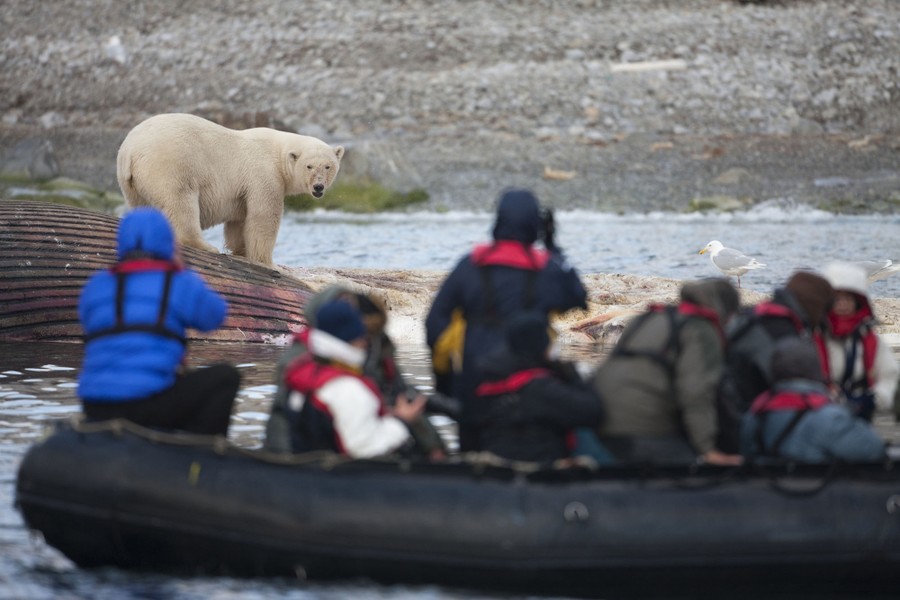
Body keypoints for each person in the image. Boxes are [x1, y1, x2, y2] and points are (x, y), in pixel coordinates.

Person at [425, 188, 588, 451]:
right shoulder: (547, 269)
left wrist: (445, 383)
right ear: (536, 224)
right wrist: (552, 246)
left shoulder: (469, 265)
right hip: (530, 387)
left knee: (472, 454)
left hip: (474, 382)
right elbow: (578, 297)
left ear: (497, 221)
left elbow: (434, 326)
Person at [78, 207, 240, 436]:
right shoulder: (178, 281)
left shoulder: (97, 285)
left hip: (94, 405)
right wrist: (182, 269)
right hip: (147, 404)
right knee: (226, 376)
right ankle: (202, 452)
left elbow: (89, 322)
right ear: (168, 241)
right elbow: (215, 316)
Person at [265, 286, 446, 458]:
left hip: (353, 442)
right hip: (323, 459)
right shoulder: (306, 361)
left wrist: (433, 446)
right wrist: (283, 461)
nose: (366, 342)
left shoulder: (376, 348)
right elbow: (282, 418)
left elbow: (401, 395)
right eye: (364, 335)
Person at [592, 278, 743, 466]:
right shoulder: (700, 328)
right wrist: (708, 450)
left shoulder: (647, 318)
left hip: (599, 420)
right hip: (641, 428)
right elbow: (695, 391)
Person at [473, 312, 605, 463]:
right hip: (539, 467)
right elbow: (593, 412)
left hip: (498, 462)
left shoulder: (491, 378)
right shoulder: (538, 388)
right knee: (583, 433)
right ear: (540, 346)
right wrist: (572, 376)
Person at [740, 337, 886, 463]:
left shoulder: (755, 415)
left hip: (767, 491)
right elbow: (872, 449)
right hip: (819, 491)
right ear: (815, 369)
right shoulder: (830, 417)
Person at [722, 270, 835, 412]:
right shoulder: (783, 332)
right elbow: (782, 387)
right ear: (813, 305)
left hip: (726, 399)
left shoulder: (755, 315)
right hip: (744, 411)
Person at [822, 261, 899, 422]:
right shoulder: (817, 336)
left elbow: (890, 377)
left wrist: (873, 400)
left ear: (858, 303)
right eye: (837, 299)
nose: (842, 304)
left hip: (860, 411)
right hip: (822, 410)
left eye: (847, 299)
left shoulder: (870, 340)